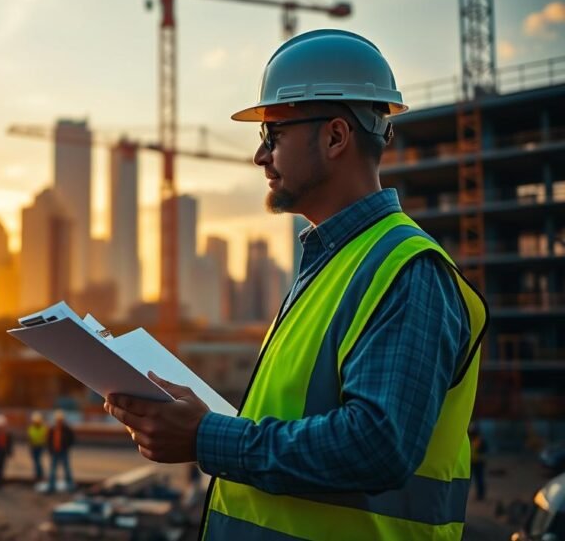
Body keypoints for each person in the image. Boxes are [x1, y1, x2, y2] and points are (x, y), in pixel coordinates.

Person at [103, 29, 488, 540]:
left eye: (274, 135)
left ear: (334, 137)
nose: (261, 157)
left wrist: (205, 436)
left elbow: (377, 447)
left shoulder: (407, 272)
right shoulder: (331, 266)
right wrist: (192, 419)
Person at [47, 409, 74, 493]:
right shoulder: (52, 429)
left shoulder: (67, 429)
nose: (59, 421)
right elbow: (49, 440)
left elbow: (71, 439)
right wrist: (50, 449)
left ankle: (70, 486)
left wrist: (66, 447)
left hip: (63, 451)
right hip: (55, 451)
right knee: (53, 470)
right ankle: (51, 486)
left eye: (60, 420)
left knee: (66, 469)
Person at [27, 411, 48, 482]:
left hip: (40, 446)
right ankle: (38, 475)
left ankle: (40, 474)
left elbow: (45, 437)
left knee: (38, 461)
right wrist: (30, 447)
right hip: (34, 446)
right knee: (36, 461)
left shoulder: (43, 428)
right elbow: (29, 438)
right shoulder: (31, 428)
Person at [469, 423, 487, 501]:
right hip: (471, 462)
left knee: (479, 479)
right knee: (470, 479)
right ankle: (478, 494)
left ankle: (481, 494)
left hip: (478, 462)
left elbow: (484, 451)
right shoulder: (470, 440)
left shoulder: (480, 440)